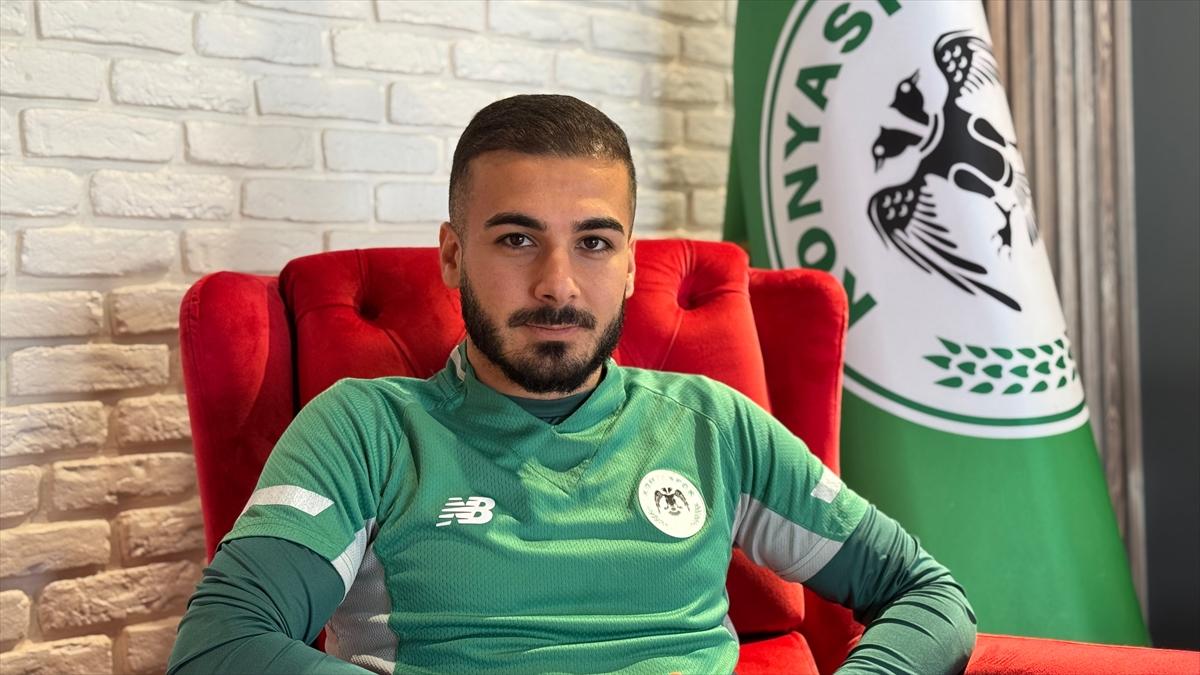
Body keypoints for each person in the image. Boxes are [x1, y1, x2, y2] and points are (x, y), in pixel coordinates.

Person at [167, 94, 976, 674]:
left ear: (629, 266)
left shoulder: (714, 425)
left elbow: (926, 593)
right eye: (517, 239)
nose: (557, 283)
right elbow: (222, 642)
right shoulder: (365, 429)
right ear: (452, 256)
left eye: (593, 242)